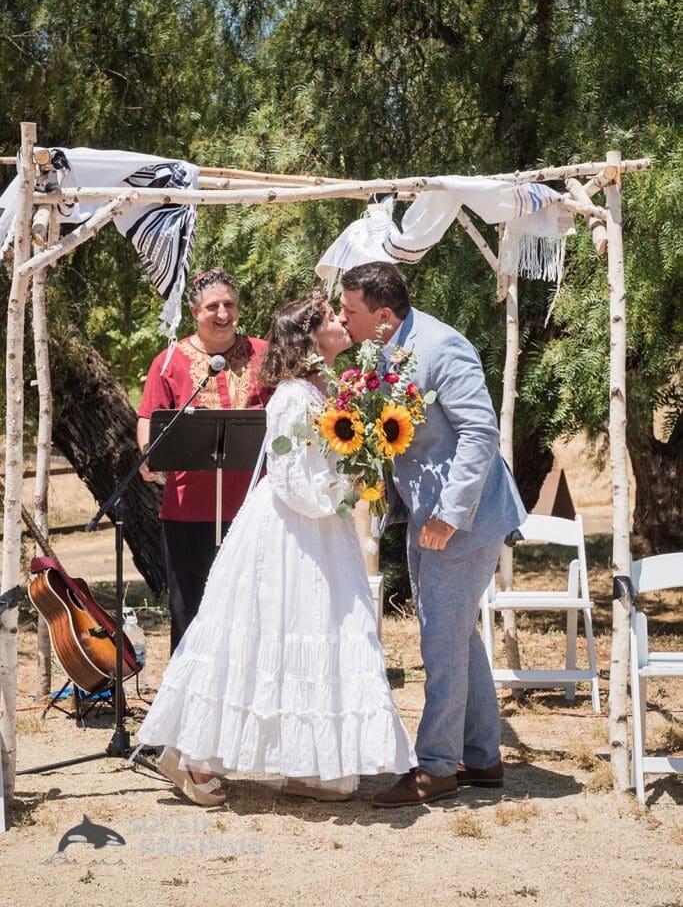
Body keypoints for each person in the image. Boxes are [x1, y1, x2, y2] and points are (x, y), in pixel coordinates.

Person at [137, 291, 417, 806]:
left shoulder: (327, 388)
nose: (342, 321)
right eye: (331, 316)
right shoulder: (291, 397)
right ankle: (190, 755)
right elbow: (290, 478)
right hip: (290, 531)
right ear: (310, 337)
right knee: (261, 634)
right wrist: (346, 490)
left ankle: (308, 762)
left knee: (315, 634)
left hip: (319, 531)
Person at [339, 262, 526, 808]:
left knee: (441, 639)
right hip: (426, 518)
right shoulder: (384, 347)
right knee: (456, 635)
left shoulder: (443, 347)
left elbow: (480, 432)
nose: (343, 319)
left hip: (463, 520)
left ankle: (438, 767)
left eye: (349, 311)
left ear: (383, 314)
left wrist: (450, 513)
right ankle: (482, 757)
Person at [137, 268, 271, 651]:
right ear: (195, 312)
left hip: (254, 508)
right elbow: (148, 417)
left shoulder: (264, 354)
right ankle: (188, 682)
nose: (223, 313)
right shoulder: (169, 361)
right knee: (190, 608)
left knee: (252, 609)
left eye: (230, 304)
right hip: (188, 508)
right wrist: (148, 455)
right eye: (213, 306)